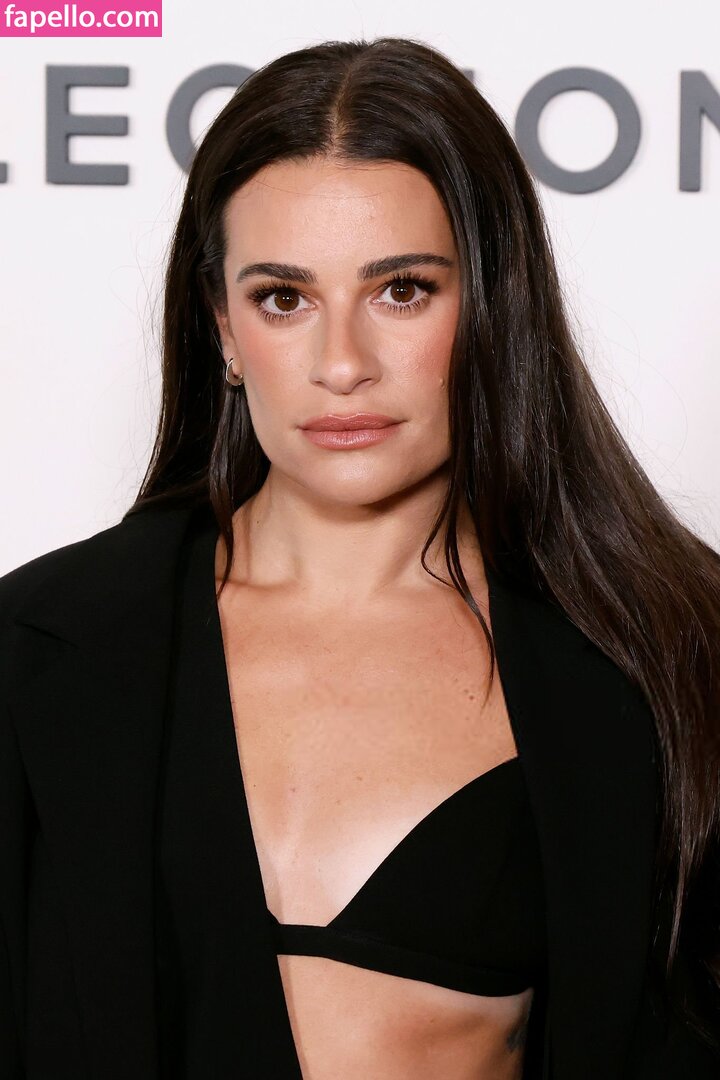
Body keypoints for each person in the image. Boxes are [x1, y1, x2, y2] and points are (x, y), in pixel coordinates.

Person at [1, 36, 719, 1080]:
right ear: (223, 327)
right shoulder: (35, 647)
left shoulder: (663, 655)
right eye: (283, 298)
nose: (342, 364)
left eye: (402, 291)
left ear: (491, 305)